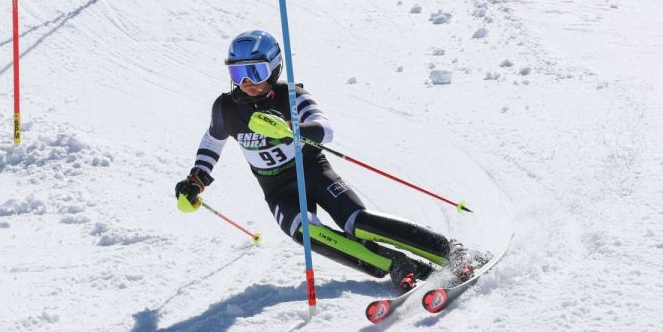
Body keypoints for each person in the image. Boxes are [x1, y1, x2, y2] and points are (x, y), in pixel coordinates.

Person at [174, 29, 482, 290]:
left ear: (275, 68)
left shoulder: (291, 96)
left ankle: (450, 252)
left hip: (313, 172)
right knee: (306, 233)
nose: (246, 82)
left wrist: (291, 131)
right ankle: (397, 265)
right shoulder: (226, 108)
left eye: (255, 71)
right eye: (237, 73)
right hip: (278, 190)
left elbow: (326, 129)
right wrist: (196, 179)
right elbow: (213, 140)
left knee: (357, 223)